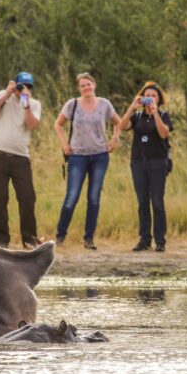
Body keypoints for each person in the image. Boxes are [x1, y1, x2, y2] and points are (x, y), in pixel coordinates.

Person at [54, 72, 121, 250]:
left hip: (100, 155)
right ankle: (60, 236)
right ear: (79, 88)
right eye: (82, 85)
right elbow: (58, 124)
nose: (86, 88)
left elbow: (118, 123)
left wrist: (115, 139)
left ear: (94, 85)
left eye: (88, 84)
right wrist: (64, 145)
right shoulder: (72, 104)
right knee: (72, 197)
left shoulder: (104, 104)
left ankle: (89, 238)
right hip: (77, 156)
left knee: (93, 198)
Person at [0, 71, 42, 249]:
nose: (24, 89)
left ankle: (29, 240)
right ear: (13, 84)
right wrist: (7, 94)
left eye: (28, 87)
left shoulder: (34, 104)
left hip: (21, 157)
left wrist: (26, 104)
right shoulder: (3, 96)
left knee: (27, 198)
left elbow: (32, 125)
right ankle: (2, 241)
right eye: (21, 86)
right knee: (0, 199)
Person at [115, 81, 173, 252]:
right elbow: (121, 126)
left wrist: (155, 113)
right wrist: (132, 107)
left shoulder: (164, 115)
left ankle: (160, 240)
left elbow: (164, 133)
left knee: (157, 201)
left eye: (154, 96)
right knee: (142, 202)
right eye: (147, 95)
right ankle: (144, 239)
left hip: (157, 162)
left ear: (159, 99)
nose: (150, 98)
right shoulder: (137, 117)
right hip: (138, 162)